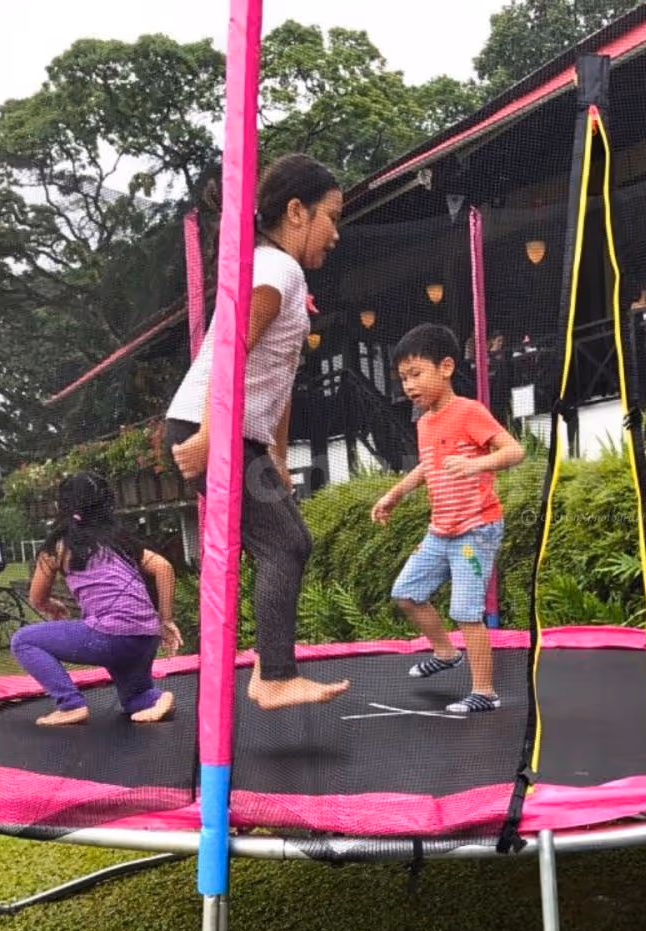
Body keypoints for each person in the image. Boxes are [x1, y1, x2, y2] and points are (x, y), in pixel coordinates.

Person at [165, 152, 350, 710]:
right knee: (286, 545)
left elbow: (280, 379)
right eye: (332, 217)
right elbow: (232, 354)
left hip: (233, 431)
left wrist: (276, 452)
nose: (336, 235)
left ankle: (269, 672)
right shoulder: (277, 269)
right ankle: (272, 677)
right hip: (212, 425)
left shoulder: (276, 271)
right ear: (297, 211)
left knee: (290, 541)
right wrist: (207, 437)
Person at [371, 324, 526, 713]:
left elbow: (514, 451)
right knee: (405, 594)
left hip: (476, 530)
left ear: (445, 367)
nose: (409, 385)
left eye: (416, 374)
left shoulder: (469, 412)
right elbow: (427, 466)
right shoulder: (424, 422)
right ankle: (444, 651)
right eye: (404, 378)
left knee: (466, 611)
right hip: (441, 530)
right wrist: (394, 494)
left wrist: (478, 465)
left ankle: (485, 692)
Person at [11, 473, 180, 727]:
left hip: (109, 638)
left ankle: (70, 705)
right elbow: (164, 567)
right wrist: (165, 620)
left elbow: (37, 597)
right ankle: (156, 699)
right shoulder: (120, 540)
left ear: (64, 506)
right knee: (135, 698)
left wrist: (51, 606)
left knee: (23, 640)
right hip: (145, 638)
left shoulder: (58, 545)